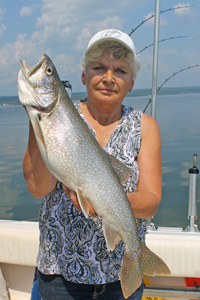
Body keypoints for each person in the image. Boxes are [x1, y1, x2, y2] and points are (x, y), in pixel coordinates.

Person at [23, 29, 162, 300]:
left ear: (132, 82)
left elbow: (151, 201)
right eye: (99, 67)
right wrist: (38, 122)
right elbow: (38, 189)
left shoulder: (145, 127)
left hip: (117, 282)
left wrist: (104, 202)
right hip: (59, 275)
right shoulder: (59, 115)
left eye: (120, 70)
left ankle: (137, 257)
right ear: (84, 76)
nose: (109, 78)